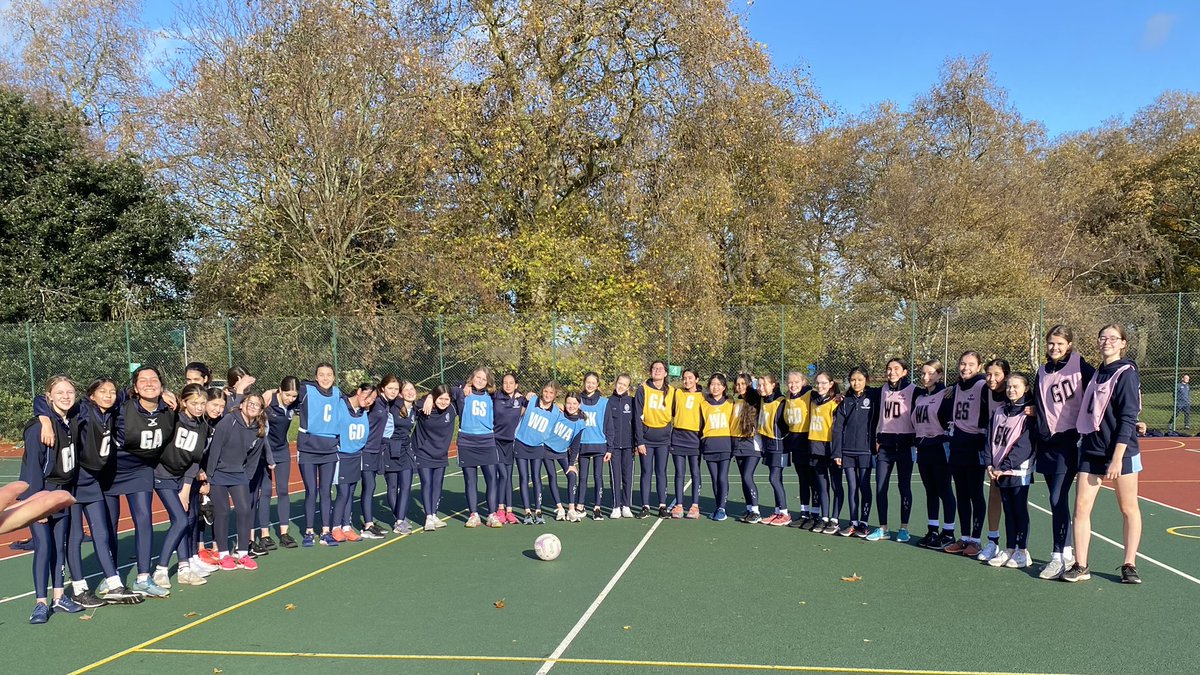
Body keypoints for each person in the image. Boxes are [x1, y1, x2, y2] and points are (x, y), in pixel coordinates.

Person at [1064, 324, 1144, 584]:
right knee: (1081, 508)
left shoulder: (1127, 373)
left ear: (1123, 343)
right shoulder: (1098, 372)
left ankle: (1129, 564)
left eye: (1113, 338)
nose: (1106, 341)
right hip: (1092, 449)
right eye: (1102, 337)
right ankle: (1081, 564)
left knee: (1128, 507)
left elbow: (1128, 417)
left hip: (1122, 451)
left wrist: (1118, 457)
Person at [1032, 325, 1093, 579]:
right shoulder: (1042, 371)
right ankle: (1066, 552)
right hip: (1047, 443)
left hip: (1070, 442)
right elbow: (1035, 400)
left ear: (1069, 345)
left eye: (1060, 343)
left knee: (1057, 498)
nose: (1054, 348)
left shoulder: (1082, 368)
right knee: (1056, 499)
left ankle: (1058, 555)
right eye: (1050, 343)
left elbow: (1100, 396)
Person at [22, 375, 84, 624]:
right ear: (48, 397)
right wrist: (38, 506)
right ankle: (40, 603)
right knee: (44, 547)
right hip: (42, 495)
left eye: (70, 391)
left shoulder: (70, 420)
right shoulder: (39, 427)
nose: (66, 396)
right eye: (59, 392)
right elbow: (33, 471)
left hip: (62, 493)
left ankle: (59, 597)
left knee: (60, 546)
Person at [152, 384, 212, 588]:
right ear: (184, 402)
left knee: (185, 519)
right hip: (162, 474)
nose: (199, 407)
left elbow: (195, 461)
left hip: (181, 478)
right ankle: (160, 570)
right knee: (180, 520)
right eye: (194, 403)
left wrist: (186, 489)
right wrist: (163, 393)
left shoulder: (202, 425)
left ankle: (185, 569)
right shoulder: (174, 417)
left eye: (202, 403)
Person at [205, 393, 268, 570]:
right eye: (250, 402)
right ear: (242, 404)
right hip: (218, 473)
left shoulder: (259, 429)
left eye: (257, 405)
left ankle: (242, 554)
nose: (252, 406)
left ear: (261, 410)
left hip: (238, 474)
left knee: (244, 510)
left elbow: (254, 458)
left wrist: (246, 476)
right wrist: (209, 477)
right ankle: (224, 554)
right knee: (223, 511)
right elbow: (215, 449)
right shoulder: (228, 421)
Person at [985, 374, 1036, 569]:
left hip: (1017, 471)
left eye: (1016, 386)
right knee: (1007, 509)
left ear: (1026, 388)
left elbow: (1025, 446)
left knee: (1019, 509)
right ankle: (1009, 548)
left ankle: (1022, 551)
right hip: (998, 470)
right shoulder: (999, 411)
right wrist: (990, 463)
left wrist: (1004, 467)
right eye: (1008, 386)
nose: (1011, 390)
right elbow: (989, 439)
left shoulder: (1028, 415)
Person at [943, 352, 989, 557]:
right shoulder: (957, 387)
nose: (966, 367)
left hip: (975, 444)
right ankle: (964, 537)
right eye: (962, 363)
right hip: (957, 444)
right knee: (961, 493)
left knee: (975, 493)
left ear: (979, 367)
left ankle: (977, 540)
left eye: (971, 364)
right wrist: (953, 386)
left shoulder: (982, 385)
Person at [446, 367, 503, 528]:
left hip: (487, 440)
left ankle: (492, 514)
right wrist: (430, 398)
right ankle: (474, 514)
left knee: (492, 478)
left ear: (488, 382)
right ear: (472, 378)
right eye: (478, 377)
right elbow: (444, 391)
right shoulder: (462, 393)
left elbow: (511, 394)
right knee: (470, 480)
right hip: (467, 440)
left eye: (483, 379)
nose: (480, 381)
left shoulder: (492, 396)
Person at [294, 363, 343, 547]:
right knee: (311, 491)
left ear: (334, 377)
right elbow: (286, 391)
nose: (325, 378)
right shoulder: (306, 389)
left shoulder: (338, 393)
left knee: (325, 491)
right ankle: (308, 532)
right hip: (308, 447)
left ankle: (325, 531)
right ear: (315, 377)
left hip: (329, 448)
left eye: (329, 374)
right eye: (321, 375)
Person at [868, 359, 915, 542]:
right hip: (885, 446)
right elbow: (858, 391)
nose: (892, 372)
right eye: (889, 369)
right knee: (881, 488)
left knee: (904, 487)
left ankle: (904, 528)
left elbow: (935, 392)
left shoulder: (913, 390)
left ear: (904, 372)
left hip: (904, 445)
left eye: (896, 369)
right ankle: (883, 528)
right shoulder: (881, 391)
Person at [912, 360, 957, 549]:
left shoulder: (946, 395)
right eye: (923, 373)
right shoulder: (920, 396)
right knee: (930, 490)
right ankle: (932, 530)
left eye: (930, 373)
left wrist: (954, 387)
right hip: (923, 448)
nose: (925, 377)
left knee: (944, 489)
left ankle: (948, 533)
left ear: (939, 374)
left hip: (940, 447)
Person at [832, 367, 878, 538]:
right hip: (847, 451)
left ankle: (864, 523)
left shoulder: (874, 396)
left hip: (866, 451)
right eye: (853, 379)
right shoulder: (845, 400)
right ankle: (853, 522)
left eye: (860, 379)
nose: (856, 383)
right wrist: (837, 453)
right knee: (852, 487)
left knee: (864, 486)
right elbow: (838, 428)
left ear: (866, 380)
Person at [514, 383, 563, 524]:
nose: (547, 395)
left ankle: (538, 510)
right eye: (545, 391)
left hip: (538, 447)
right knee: (524, 477)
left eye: (551, 393)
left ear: (555, 396)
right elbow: (516, 401)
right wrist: (522, 395)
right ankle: (527, 511)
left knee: (537, 477)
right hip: (521, 443)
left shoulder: (556, 412)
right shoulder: (531, 401)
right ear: (542, 392)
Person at [976, 359, 1010, 562]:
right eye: (988, 374)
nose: (992, 378)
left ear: (1006, 375)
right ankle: (993, 542)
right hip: (995, 451)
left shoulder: (1017, 391)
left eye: (997, 374)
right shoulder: (985, 391)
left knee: (1014, 501)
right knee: (994, 494)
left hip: (1015, 455)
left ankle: (1017, 546)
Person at [263, 377, 300, 548]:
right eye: (287, 395)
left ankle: (284, 534)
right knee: (265, 493)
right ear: (280, 390)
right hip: (264, 453)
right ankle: (264, 535)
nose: (290, 399)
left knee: (283, 490)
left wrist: (273, 390)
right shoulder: (268, 404)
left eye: (294, 396)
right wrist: (269, 392)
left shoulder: (294, 404)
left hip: (283, 451)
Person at [635, 360, 674, 518]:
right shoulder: (643, 389)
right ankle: (645, 506)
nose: (657, 370)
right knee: (646, 471)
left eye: (660, 368)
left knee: (661, 472)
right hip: (647, 439)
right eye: (654, 368)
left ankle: (662, 505)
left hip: (663, 439)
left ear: (665, 373)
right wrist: (640, 441)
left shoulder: (672, 391)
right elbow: (637, 416)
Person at [415, 385, 457, 532]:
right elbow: (412, 402)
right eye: (440, 398)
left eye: (447, 399)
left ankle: (433, 514)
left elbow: (460, 387)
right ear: (434, 397)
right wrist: (428, 397)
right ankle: (428, 517)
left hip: (441, 453)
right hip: (423, 452)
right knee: (427, 483)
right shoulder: (423, 407)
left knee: (437, 484)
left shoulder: (452, 409)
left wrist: (431, 396)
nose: (444, 402)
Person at [807, 372, 841, 534]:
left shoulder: (836, 402)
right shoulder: (813, 400)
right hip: (815, 447)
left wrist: (838, 451)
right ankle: (825, 517)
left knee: (836, 485)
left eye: (824, 383)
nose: (820, 386)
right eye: (818, 383)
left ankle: (834, 519)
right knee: (821, 485)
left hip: (831, 448)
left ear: (831, 384)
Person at [383, 380, 418, 534]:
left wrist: (430, 398)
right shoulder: (393, 407)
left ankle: (400, 518)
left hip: (406, 449)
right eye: (407, 390)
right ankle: (399, 519)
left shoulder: (415, 409)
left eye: (412, 389)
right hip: (391, 449)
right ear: (400, 394)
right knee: (392, 486)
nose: (410, 392)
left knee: (405, 486)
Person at [699, 373, 735, 521]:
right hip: (709, 445)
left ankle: (722, 508)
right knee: (714, 479)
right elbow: (701, 425)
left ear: (724, 387)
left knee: (722, 477)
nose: (715, 387)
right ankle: (717, 506)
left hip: (725, 444)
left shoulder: (731, 403)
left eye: (719, 384)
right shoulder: (704, 404)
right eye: (713, 384)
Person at [669, 370, 704, 519]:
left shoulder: (704, 396)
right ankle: (679, 505)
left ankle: (695, 506)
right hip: (678, 436)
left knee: (695, 472)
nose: (687, 381)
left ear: (697, 379)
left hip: (695, 437)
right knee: (679, 473)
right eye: (684, 378)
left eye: (690, 378)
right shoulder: (677, 393)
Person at [781, 372, 814, 529]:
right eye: (790, 382)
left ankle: (816, 515)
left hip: (809, 441)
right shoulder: (788, 398)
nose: (793, 385)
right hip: (795, 442)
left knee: (813, 480)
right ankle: (804, 513)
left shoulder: (810, 394)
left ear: (803, 382)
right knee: (802, 479)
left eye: (796, 382)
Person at [757, 374, 790, 526]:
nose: (761, 388)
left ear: (773, 385)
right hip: (768, 444)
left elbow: (787, 423)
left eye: (764, 385)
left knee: (774, 478)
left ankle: (784, 513)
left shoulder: (781, 401)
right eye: (759, 385)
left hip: (779, 445)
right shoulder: (764, 400)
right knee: (777, 479)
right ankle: (778, 511)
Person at [731, 373, 763, 523]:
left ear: (749, 384)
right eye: (738, 384)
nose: (740, 386)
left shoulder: (756, 399)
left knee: (747, 476)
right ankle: (749, 507)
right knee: (743, 478)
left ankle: (756, 511)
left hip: (752, 443)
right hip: (738, 442)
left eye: (743, 383)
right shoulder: (735, 401)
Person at [577, 373, 610, 520]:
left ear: (597, 385)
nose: (590, 385)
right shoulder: (578, 401)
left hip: (599, 444)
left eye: (593, 383)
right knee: (582, 477)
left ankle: (597, 507)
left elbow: (609, 426)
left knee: (598, 476)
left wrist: (610, 448)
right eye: (587, 382)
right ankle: (580, 505)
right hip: (583, 444)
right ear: (584, 383)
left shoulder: (604, 402)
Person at [604, 375, 636, 519]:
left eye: (625, 384)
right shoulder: (608, 402)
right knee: (615, 476)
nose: (621, 386)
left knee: (627, 477)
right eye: (619, 383)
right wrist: (608, 445)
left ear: (628, 387)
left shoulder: (632, 402)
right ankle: (616, 506)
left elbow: (636, 424)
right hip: (614, 446)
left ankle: (626, 506)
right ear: (615, 383)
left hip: (629, 446)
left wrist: (636, 442)